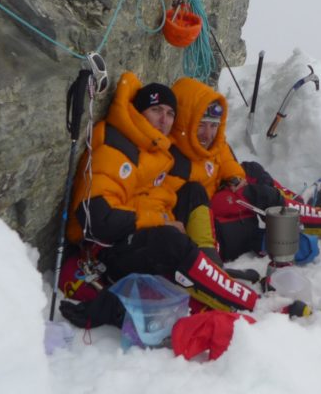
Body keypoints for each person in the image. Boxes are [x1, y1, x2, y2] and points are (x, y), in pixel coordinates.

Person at [58, 72, 259, 329]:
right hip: (106, 249)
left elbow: (152, 197)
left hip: (139, 232)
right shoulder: (117, 146)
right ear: (140, 112)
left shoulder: (153, 148)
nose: (164, 120)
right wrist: (159, 222)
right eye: (156, 110)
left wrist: (165, 219)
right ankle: (246, 301)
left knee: (192, 192)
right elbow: (95, 220)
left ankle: (211, 271)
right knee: (170, 241)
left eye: (170, 114)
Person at [170, 77, 321, 263]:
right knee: (258, 195)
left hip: (229, 213)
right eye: (201, 124)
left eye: (213, 125)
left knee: (251, 170)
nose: (207, 133)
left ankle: (293, 206)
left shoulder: (211, 143)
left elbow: (225, 159)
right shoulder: (174, 160)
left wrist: (235, 178)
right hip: (211, 228)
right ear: (185, 121)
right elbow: (182, 206)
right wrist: (235, 194)